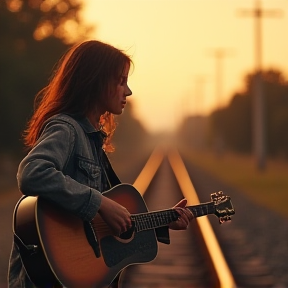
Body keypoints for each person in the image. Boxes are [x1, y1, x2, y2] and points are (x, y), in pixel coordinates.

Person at [8, 40, 194, 288]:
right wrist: (99, 203)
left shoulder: (91, 138)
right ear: (96, 80)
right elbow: (32, 173)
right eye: (121, 81)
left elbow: (99, 228)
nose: (128, 91)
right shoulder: (67, 128)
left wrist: (164, 222)